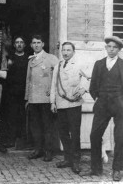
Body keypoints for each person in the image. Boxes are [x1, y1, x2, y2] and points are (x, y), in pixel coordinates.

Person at [81, 36, 123, 181]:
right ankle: (95, 169)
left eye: (114, 47)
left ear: (118, 50)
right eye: (109, 47)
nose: (111, 49)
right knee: (94, 135)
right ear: (106, 48)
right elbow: (93, 87)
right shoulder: (99, 64)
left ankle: (117, 169)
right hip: (103, 105)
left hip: (120, 106)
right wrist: (98, 99)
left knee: (119, 138)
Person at [50, 42, 90, 174]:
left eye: (68, 50)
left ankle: (76, 160)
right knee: (63, 132)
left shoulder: (79, 64)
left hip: (74, 104)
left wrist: (84, 88)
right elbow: (53, 85)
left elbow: (90, 77)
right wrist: (52, 102)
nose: (65, 52)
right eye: (64, 50)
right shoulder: (58, 66)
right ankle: (68, 158)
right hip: (61, 104)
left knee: (75, 133)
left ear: (74, 51)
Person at [25, 34, 58, 162]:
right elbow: (28, 80)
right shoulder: (31, 60)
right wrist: (27, 98)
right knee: (35, 126)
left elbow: (58, 75)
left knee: (47, 126)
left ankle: (48, 151)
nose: (36, 45)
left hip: (46, 98)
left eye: (39, 42)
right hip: (33, 99)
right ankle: (38, 150)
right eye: (34, 43)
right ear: (31, 45)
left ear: (43, 44)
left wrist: (54, 95)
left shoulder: (51, 58)